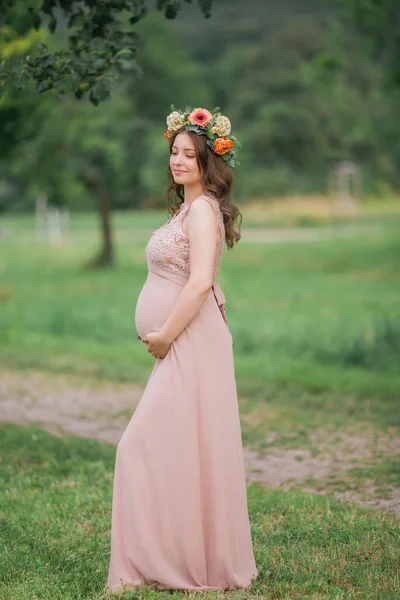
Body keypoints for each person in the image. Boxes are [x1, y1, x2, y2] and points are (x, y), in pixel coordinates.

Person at [106, 107, 258, 594]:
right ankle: (167, 555)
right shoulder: (188, 209)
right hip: (189, 337)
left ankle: (173, 562)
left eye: (188, 155)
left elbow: (198, 282)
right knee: (178, 448)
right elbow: (206, 276)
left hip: (188, 340)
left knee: (139, 448)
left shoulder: (201, 209)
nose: (177, 161)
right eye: (174, 152)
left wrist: (167, 334)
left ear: (208, 162)